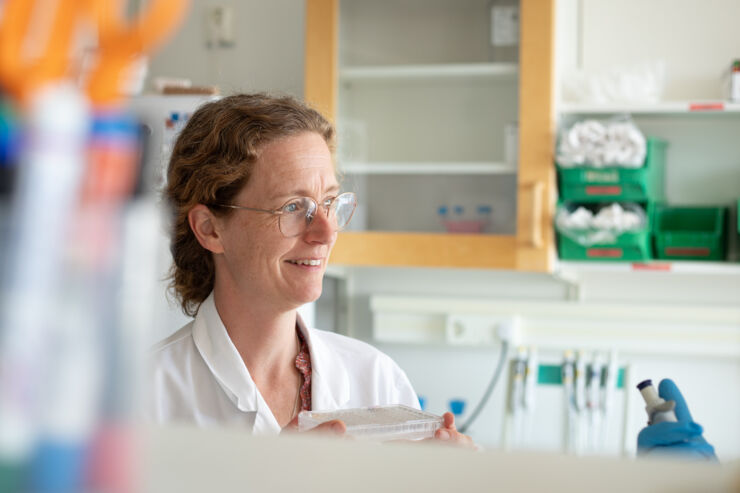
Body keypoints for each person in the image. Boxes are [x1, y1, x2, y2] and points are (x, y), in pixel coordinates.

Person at [149, 93, 472, 446]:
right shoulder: (144, 397)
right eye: (292, 207)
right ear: (210, 229)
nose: (327, 231)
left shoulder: (376, 379)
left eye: (330, 203)